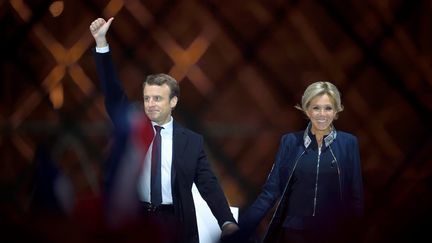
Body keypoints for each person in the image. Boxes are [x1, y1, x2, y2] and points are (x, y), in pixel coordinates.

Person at [89, 17, 239, 243]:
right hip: (136, 221)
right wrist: (101, 43)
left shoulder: (191, 141)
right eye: (147, 98)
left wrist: (226, 221)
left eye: (157, 98)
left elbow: (209, 185)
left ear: (174, 102)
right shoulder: (134, 130)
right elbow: (111, 92)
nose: (150, 104)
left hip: (174, 224)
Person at [236, 81, 364, 243]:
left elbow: (355, 200)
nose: (322, 114)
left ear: (336, 111)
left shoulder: (348, 144)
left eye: (328, 108)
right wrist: (240, 231)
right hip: (290, 232)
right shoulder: (290, 142)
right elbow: (269, 194)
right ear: (307, 110)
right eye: (316, 108)